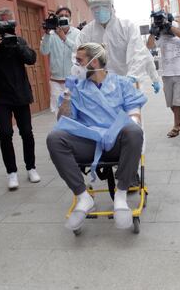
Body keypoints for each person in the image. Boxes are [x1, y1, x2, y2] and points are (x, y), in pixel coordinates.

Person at [46, 43, 147, 231]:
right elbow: (63, 121)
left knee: (134, 131)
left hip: (117, 142)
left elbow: (134, 113)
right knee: (55, 138)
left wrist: (131, 124)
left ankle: (121, 196)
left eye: (79, 61)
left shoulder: (121, 83)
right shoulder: (77, 89)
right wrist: (67, 94)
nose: (76, 65)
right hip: (89, 145)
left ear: (94, 62)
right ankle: (83, 197)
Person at [0, 7, 41, 190]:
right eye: (3, 22)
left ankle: (31, 167)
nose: (6, 27)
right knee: (5, 134)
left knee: (27, 132)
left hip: (21, 94)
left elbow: (31, 59)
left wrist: (18, 45)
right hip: (0, 97)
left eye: (9, 22)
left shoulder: (19, 40)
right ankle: (11, 172)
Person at [75, 0, 161, 93]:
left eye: (104, 6)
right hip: (98, 88)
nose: (99, 10)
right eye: (96, 6)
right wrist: (79, 75)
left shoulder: (127, 27)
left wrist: (153, 77)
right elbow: (76, 56)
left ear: (112, 7)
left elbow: (140, 53)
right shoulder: (87, 32)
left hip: (126, 84)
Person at [146, 17, 180, 137]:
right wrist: (153, 32)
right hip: (167, 74)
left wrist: (169, 26)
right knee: (171, 103)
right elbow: (149, 46)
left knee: (177, 102)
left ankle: (175, 127)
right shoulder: (163, 38)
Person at [40, 6, 80, 115]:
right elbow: (44, 51)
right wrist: (47, 34)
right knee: (58, 113)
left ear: (70, 18)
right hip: (55, 82)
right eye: (61, 16)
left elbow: (79, 50)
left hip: (72, 82)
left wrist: (64, 38)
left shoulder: (77, 33)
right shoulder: (51, 35)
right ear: (57, 18)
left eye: (66, 16)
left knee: (74, 112)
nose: (63, 17)